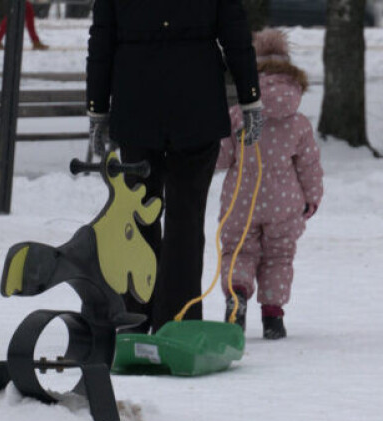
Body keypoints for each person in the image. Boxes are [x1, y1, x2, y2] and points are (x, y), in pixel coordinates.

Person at [86, 0, 263, 334]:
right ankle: (176, 320)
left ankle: (136, 316)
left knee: (138, 216)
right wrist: (249, 96)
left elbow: (102, 38)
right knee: (185, 219)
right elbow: (235, 33)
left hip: (138, 101)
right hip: (195, 102)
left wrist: (97, 105)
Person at [216, 28, 323, 340]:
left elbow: (222, 158)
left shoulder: (237, 116)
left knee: (238, 251)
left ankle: (236, 299)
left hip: (241, 198)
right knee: (279, 256)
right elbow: (309, 165)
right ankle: (273, 317)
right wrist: (311, 199)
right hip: (285, 200)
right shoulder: (298, 121)